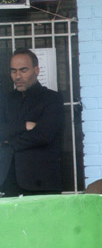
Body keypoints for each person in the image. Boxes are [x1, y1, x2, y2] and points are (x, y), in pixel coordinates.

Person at [0, 48, 64, 196]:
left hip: (41, 180)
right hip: (9, 180)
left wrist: (8, 143)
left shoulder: (51, 98)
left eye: (23, 70)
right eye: (13, 71)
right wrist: (24, 126)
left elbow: (44, 135)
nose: (17, 76)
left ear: (36, 70)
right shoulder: (6, 100)